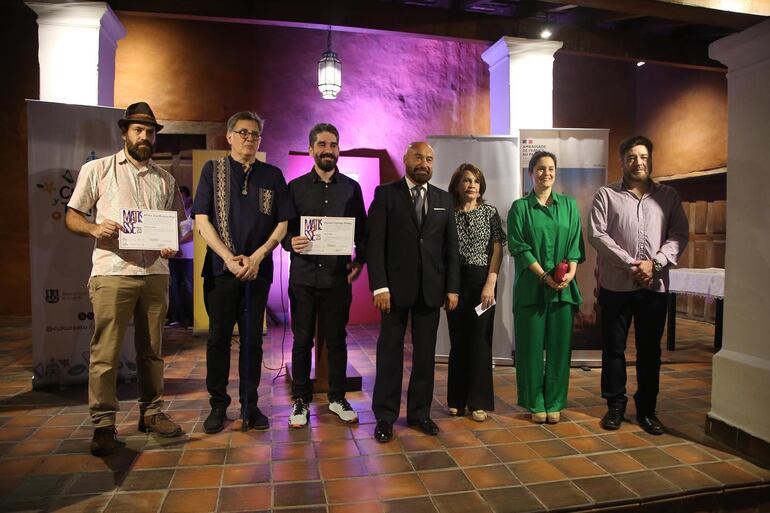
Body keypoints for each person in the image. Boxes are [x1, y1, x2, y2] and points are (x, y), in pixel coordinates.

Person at [65, 102, 184, 456]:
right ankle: (103, 424)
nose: (145, 136)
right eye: (138, 130)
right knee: (106, 351)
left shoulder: (166, 179)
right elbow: (72, 217)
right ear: (125, 133)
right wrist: (94, 227)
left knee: (152, 352)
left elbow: (179, 225)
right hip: (112, 271)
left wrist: (174, 244)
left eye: (150, 132)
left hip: (154, 274)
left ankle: (152, 412)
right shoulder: (98, 170)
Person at [192, 111, 292, 434]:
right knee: (218, 339)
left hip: (257, 272)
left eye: (255, 134)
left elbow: (282, 223)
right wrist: (228, 257)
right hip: (221, 273)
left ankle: (250, 405)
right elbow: (202, 220)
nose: (250, 138)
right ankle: (218, 406)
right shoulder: (213, 171)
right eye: (243, 133)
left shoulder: (272, 175)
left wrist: (258, 257)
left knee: (252, 342)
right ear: (230, 136)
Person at [588, 135, 688, 435]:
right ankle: (615, 407)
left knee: (649, 352)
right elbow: (597, 234)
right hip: (615, 286)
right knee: (614, 350)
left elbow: (679, 234)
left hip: (653, 287)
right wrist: (633, 264)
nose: (638, 162)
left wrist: (654, 263)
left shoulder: (668, 196)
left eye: (643, 156)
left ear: (651, 159)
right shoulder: (606, 195)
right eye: (632, 157)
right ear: (622, 161)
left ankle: (647, 410)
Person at [367, 141, 460, 443]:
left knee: (425, 357)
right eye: (418, 157)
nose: (424, 163)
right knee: (389, 355)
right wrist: (379, 286)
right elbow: (375, 245)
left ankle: (420, 413)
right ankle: (385, 416)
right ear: (406, 159)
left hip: (431, 291)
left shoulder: (444, 199)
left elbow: (451, 250)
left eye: (429, 159)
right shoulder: (386, 195)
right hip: (393, 292)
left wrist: (452, 288)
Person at [283, 123, 366, 428]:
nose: (328, 150)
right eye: (322, 144)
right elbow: (286, 230)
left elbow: (363, 230)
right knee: (302, 340)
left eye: (333, 144)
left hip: (336, 279)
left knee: (337, 340)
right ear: (311, 150)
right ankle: (301, 401)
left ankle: (337, 397)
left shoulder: (351, 189)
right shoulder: (295, 188)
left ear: (338, 150)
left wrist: (360, 262)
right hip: (303, 278)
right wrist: (289, 241)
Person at [507, 151, 585, 424]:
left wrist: (570, 274)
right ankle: (535, 402)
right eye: (540, 168)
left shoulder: (569, 205)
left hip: (563, 289)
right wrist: (544, 277)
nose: (546, 173)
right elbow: (519, 246)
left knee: (560, 348)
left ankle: (554, 401)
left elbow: (575, 245)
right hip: (532, 288)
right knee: (530, 349)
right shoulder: (520, 207)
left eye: (551, 168)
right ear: (531, 173)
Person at [445, 163, 505, 422]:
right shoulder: (447, 212)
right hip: (456, 282)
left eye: (476, 181)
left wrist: (490, 282)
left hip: (483, 280)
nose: (472, 185)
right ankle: (457, 399)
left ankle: (478, 401)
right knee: (458, 340)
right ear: (457, 185)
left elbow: (498, 249)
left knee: (481, 341)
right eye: (467, 181)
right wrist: (449, 287)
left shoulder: (490, 212)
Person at [167, 185, 194, 327]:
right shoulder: (171, 212)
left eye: (183, 197)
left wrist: (177, 244)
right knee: (174, 287)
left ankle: (191, 319)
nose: (181, 200)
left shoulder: (192, 213)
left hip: (188, 256)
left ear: (187, 197)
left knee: (189, 286)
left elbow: (193, 233)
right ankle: (176, 318)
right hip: (173, 255)